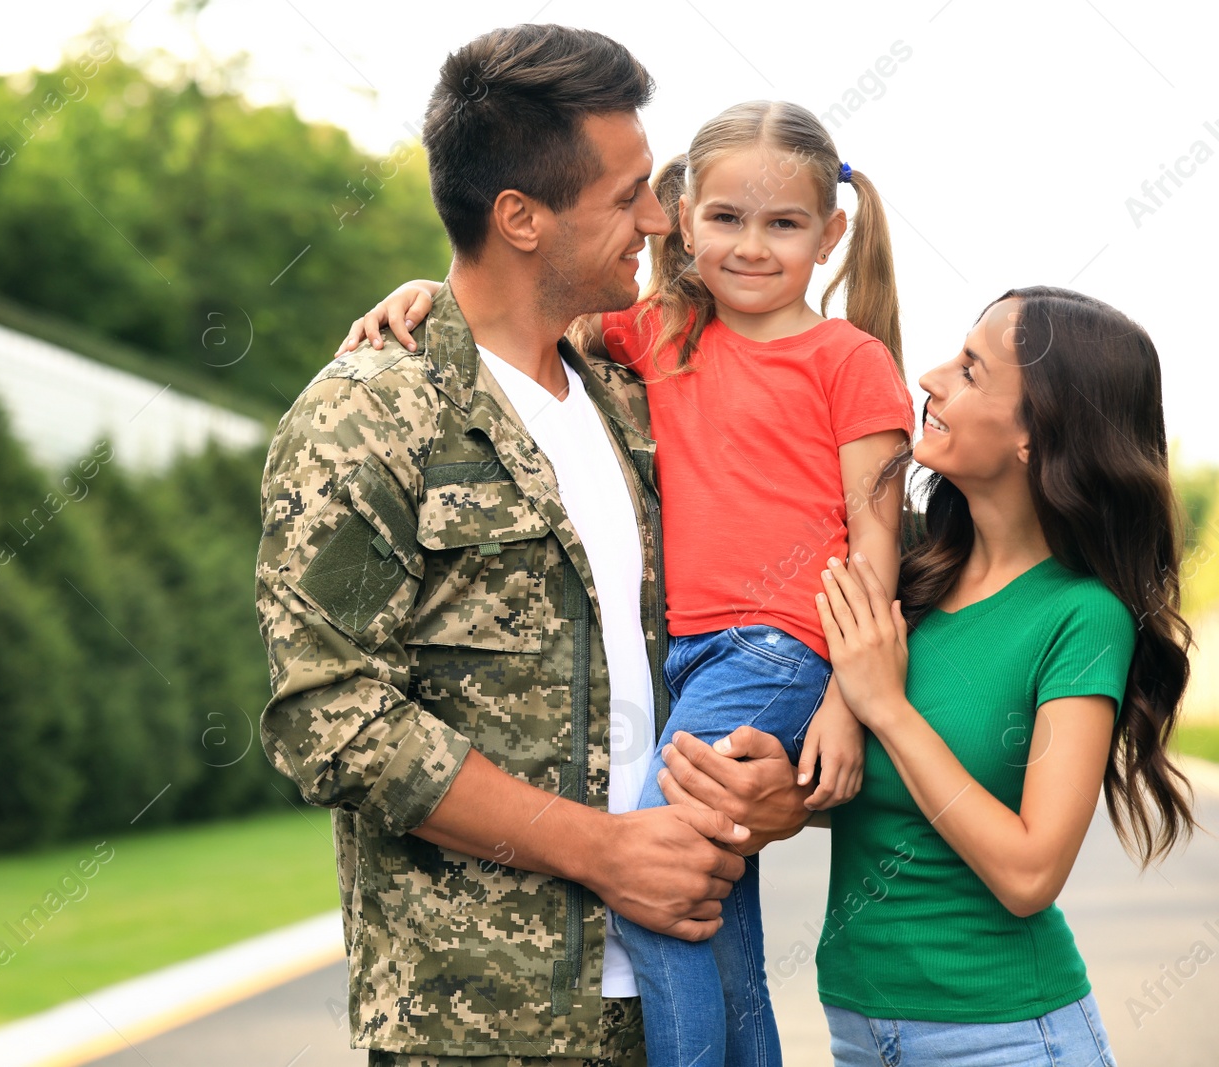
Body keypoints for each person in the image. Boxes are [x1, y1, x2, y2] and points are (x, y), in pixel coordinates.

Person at [256, 26, 814, 1067]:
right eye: (630, 194)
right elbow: (326, 714)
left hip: (680, 995)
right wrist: (606, 854)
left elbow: (761, 608)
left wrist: (793, 785)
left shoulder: (640, 400)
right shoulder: (370, 415)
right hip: (485, 1029)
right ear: (520, 216)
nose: (662, 221)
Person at [338, 100, 914, 1067]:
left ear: (832, 233)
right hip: (685, 654)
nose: (751, 246)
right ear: (684, 220)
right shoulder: (659, 336)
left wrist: (851, 704)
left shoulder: (847, 360)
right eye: (726, 218)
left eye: (784, 224)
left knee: (652, 874)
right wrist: (422, 294)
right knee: (709, 905)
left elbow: (876, 538)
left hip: (779, 646)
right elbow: (508, 310)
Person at [812, 287, 1196, 1066]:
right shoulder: (907, 577)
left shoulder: (1082, 617)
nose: (929, 376)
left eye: (971, 371)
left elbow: (1030, 872)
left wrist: (887, 707)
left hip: (1003, 1038)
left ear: (1036, 435)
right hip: (858, 1027)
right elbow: (861, 794)